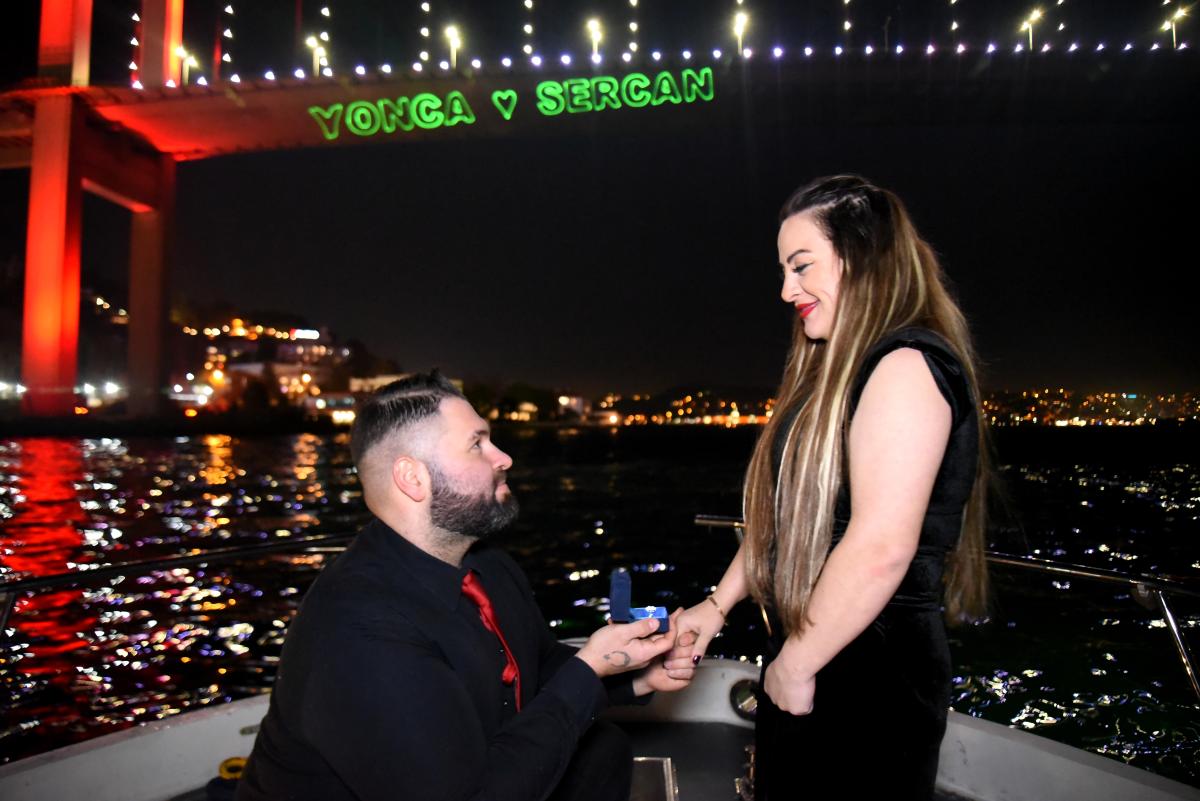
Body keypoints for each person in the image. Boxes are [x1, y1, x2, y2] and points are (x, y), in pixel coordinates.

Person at [666, 175, 990, 800]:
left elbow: (880, 546)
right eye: (784, 271)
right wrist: (716, 607)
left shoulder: (905, 366)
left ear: (861, 258)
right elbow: (788, 520)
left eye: (801, 265)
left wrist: (798, 662)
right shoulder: (835, 375)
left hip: (872, 671)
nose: (786, 290)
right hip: (818, 643)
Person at [237, 372, 693, 801]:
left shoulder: (488, 565)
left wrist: (636, 676)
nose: (504, 458)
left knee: (603, 749)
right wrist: (589, 670)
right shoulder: (359, 628)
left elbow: (536, 666)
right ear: (413, 478)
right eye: (477, 444)